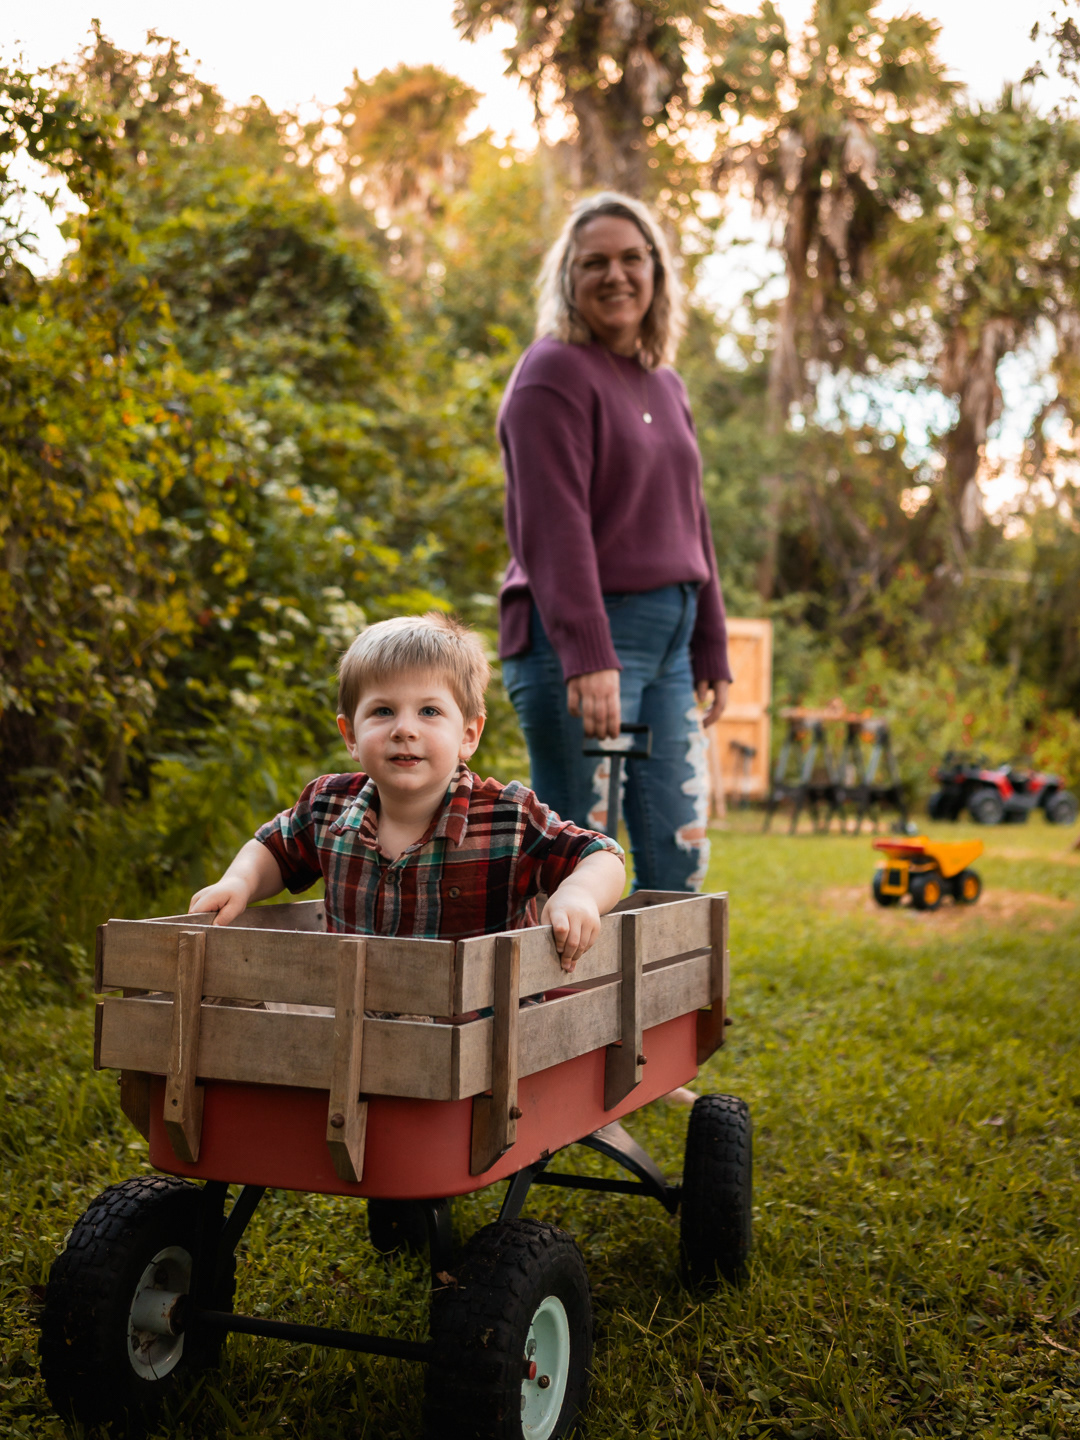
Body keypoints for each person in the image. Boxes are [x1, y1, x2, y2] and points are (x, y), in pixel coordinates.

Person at [498, 191, 732, 893]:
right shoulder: (552, 373)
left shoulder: (667, 381)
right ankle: (558, 1003)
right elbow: (552, 526)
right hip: (584, 647)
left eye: (633, 258)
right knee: (583, 863)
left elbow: (691, 515)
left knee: (678, 849)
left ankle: (666, 1009)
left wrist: (710, 642)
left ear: (657, 271)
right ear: (568, 277)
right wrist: (588, 656)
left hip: (666, 648)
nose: (616, 275)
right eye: (593, 262)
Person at [189, 612, 625, 973]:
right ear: (351, 735)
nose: (404, 729)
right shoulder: (328, 808)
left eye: (429, 711)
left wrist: (578, 893)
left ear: (468, 734)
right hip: (355, 1026)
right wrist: (239, 881)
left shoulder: (507, 818)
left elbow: (601, 855)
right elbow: (274, 849)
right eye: (382, 711)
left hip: (482, 1037)